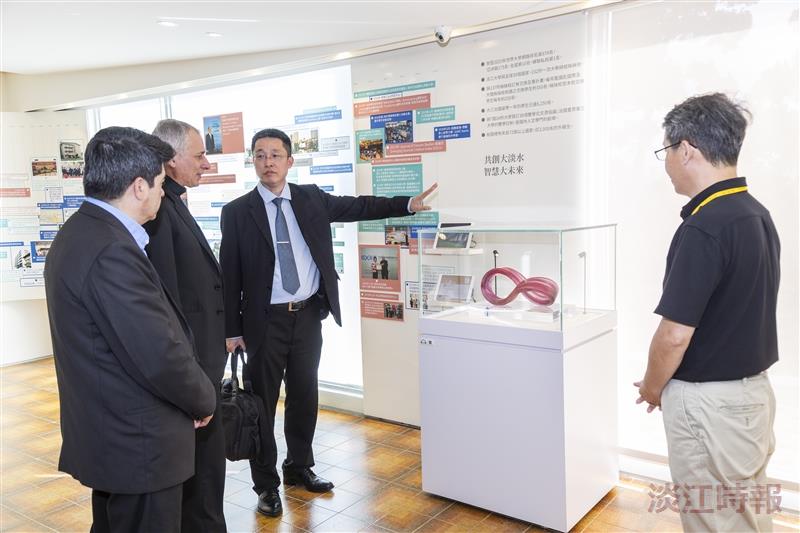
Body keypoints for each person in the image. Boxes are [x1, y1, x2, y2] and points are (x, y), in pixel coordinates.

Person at [220, 128, 437, 517]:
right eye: (260, 155)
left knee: (305, 397)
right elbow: (229, 273)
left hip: (306, 317)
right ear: (253, 161)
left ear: (290, 161)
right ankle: (266, 484)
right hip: (264, 323)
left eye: (275, 155)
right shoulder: (237, 212)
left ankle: (299, 467)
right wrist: (232, 331)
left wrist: (407, 204)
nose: (268, 162)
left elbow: (359, 206)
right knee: (262, 406)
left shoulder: (311, 199)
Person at [44, 126, 217, 533]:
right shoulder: (111, 250)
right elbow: (158, 354)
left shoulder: (81, 232)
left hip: (112, 433)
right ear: (139, 187)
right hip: (138, 443)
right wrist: (203, 399)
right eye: (159, 184)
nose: (162, 194)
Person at [635, 93, 780, 532]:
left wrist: (653, 388)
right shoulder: (755, 214)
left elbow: (675, 334)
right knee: (747, 518)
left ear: (686, 149)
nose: (666, 164)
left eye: (666, 151)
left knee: (713, 522)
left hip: (710, 407)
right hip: (751, 398)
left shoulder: (705, 226)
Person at [144, 119, 227, 532]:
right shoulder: (159, 211)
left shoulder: (175, 202)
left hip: (203, 362)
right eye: (200, 155)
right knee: (202, 474)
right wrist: (190, 377)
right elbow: (168, 304)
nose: (207, 163)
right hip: (192, 368)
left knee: (206, 470)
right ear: (172, 159)